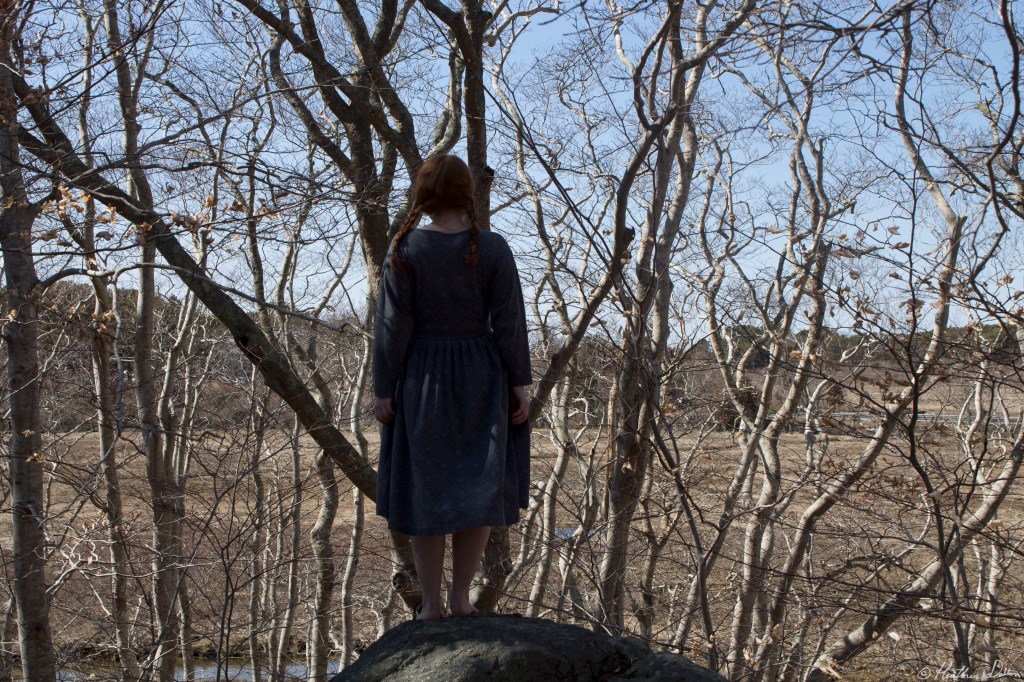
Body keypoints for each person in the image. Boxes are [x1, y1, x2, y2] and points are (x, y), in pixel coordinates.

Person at [373, 154, 532, 621]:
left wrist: (384, 389)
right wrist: (520, 382)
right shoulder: (494, 247)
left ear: (424, 194)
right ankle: (461, 601)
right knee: (477, 486)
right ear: (468, 193)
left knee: (426, 487)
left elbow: (390, 328)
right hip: (482, 376)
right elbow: (509, 324)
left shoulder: (405, 248)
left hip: (422, 378)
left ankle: (432, 606)